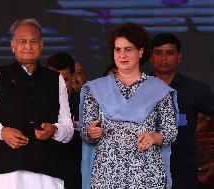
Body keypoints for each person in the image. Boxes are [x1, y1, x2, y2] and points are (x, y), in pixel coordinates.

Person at [0, 18, 74, 189]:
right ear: (13, 46)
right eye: (22, 42)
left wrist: (54, 130)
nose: (28, 46)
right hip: (5, 175)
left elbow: (68, 129)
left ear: (41, 45)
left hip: (47, 173)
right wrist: (2, 132)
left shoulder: (56, 80)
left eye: (33, 41)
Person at [79, 22, 179, 189]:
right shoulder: (96, 89)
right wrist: (91, 132)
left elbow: (170, 132)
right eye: (118, 49)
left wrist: (154, 137)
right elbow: (85, 132)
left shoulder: (158, 89)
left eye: (128, 49)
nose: (122, 55)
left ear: (140, 52)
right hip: (106, 176)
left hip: (146, 174)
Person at [150, 33, 214, 189]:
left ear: (179, 57)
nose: (164, 58)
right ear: (151, 57)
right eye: (159, 53)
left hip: (182, 173)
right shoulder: (136, 89)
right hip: (143, 172)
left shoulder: (195, 90)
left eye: (169, 53)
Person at [46, 51, 81, 189]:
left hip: (76, 178)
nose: (58, 87)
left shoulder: (85, 105)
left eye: (64, 80)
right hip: (46, 178)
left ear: (73, 78)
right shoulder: (36, 107)